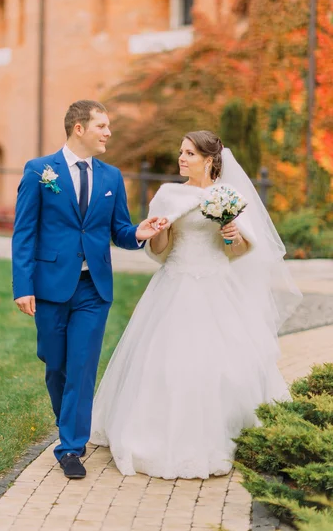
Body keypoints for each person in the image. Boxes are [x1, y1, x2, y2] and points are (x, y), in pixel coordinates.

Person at [90, 129, 302, 480]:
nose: (181, 158)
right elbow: (159, 253)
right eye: (181, 152)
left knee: (226, 367)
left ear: (209, 159)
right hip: (175, 285)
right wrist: (162, 229)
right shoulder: (168, 195)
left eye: (189, 153)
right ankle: (157, 438)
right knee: (167, 364)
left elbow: (240, 252)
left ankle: (228, 435)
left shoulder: (228, 195)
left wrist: (233, 236)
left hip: (218, 286)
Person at [12, 100, 166, 479]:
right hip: (50, 286)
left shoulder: (112, 177)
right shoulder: (39, 171)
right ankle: (68, 419)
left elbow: (120, 232)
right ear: (78, 128)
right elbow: (24, 233)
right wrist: (23, 286)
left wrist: (141, 234)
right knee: (55, 364)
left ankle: (70, 447)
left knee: (82, 367)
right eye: (101, 125)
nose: (108, 133)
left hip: (93, 289)